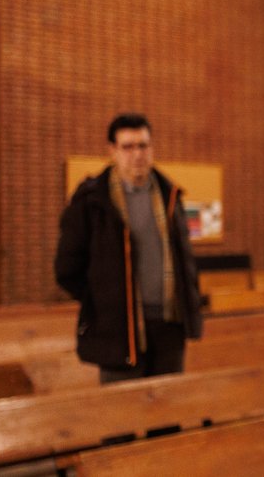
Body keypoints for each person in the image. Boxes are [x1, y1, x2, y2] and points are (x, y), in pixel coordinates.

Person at [54, 113, 203, 383]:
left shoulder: (169, 195)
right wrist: (104, 300)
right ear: (112, 151)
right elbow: (66, 269)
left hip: (168, 326)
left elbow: (185, 259)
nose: (137, 154)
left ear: (152, 148)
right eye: (128, 146)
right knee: (119, 417)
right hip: (118, 329)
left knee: (167, 417)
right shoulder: (92, 201)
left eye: (143, 145)